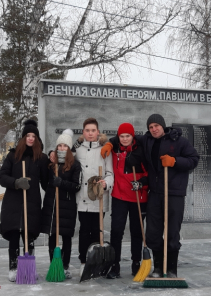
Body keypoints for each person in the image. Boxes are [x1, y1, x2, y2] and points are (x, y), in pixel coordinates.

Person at [137, 113, 199, 278]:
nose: (154, 129)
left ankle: (171, 269)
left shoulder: (179, 141)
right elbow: (126, 139)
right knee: (153, 231)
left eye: (156, 126)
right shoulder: (147, 140)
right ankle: (158, 268)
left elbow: (194, 159)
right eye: (150, 127)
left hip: (174, 193)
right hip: (155, 193)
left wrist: (175, 161)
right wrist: (109, 143)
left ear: (163, 126)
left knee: (172, 232)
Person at [0, 120, 49, 282]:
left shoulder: (41, 158)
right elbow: (2, 177)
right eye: (28, 135)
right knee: (14, 236)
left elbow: (46, 183)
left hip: (31, 203)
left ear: (37, 138)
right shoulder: (13, 156)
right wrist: (16, 182)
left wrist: (54, 170)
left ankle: (29, 268)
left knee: (29, 237)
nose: (31, 138)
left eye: (34, 136)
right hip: (13, 203)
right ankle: (13, 267)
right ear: (23, 137)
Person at [100, 123, 149, 279]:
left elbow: (150, 173)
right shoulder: (115, 148)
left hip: (137, 197)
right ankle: (115, 265)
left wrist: (141, 183)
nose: (125, 139)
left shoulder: (141, 150)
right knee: (116, 231)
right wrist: (109, 143)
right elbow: (113, 141)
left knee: (136, 231)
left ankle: (136, 263)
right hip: (119, 196)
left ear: (132, 136)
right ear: (118, 137)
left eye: (128, 136)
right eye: (122, 136)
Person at [74, 117, 114, 276]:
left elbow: (110, 173)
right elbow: (66, 160)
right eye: (87, 131)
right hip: (82, 198)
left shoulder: (105, 149)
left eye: (93, 130)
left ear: (98, 132)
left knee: (97, 231)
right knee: (84, 230)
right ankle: (84, 261)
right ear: (83, 132)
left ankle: (96, 261)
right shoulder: (78, 149)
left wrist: (106, 183)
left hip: (99, 198)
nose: (90, 133)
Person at [41, 129, 82, 279]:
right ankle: (54, 264)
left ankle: (64, 266)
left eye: (65, 145)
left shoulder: (75, 165)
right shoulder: (52, 163)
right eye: (60, 146)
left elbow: (77, 186)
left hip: (67, 206)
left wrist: (62, 183)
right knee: (53, 236)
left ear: (69, 148)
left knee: (66, 237)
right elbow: (45, 183)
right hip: (52, 205)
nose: (62, 148)